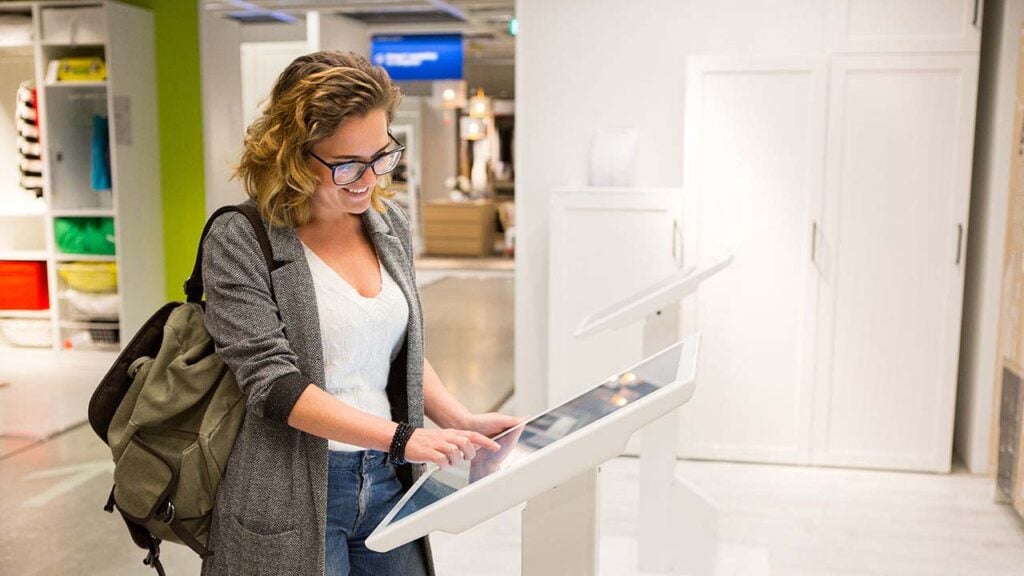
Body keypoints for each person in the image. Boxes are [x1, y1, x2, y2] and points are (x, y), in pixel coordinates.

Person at [199, 51, 520, 576]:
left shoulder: (386, 222)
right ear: (291, 154)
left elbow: (396, 348)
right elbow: (272, 383)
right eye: (346, 163)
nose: (368, 179)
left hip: (388, 480)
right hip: (293, 488)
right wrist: (401, 436)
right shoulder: (242, 237)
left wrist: (457, 420)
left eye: (382, 156)